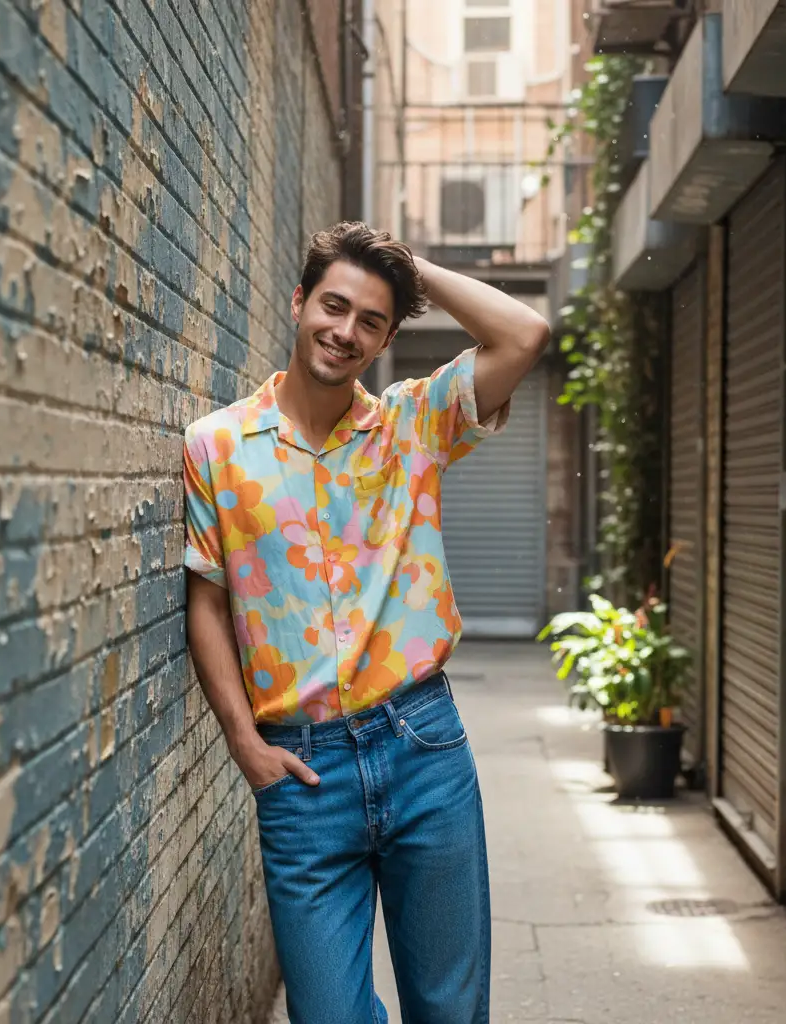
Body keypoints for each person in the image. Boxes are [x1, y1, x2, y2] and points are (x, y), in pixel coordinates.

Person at [182, 222, 549, 1023]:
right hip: (303, 775)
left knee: (449, 1012)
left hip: (423, 751)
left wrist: (408, 265)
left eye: (371, 321)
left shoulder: (413, 427)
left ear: (386, 338)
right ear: (299, 302)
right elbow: (206, 601)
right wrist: (245, 743)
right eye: (334, 305)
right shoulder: (215, 447)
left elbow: (526, 333)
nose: (345, 332)